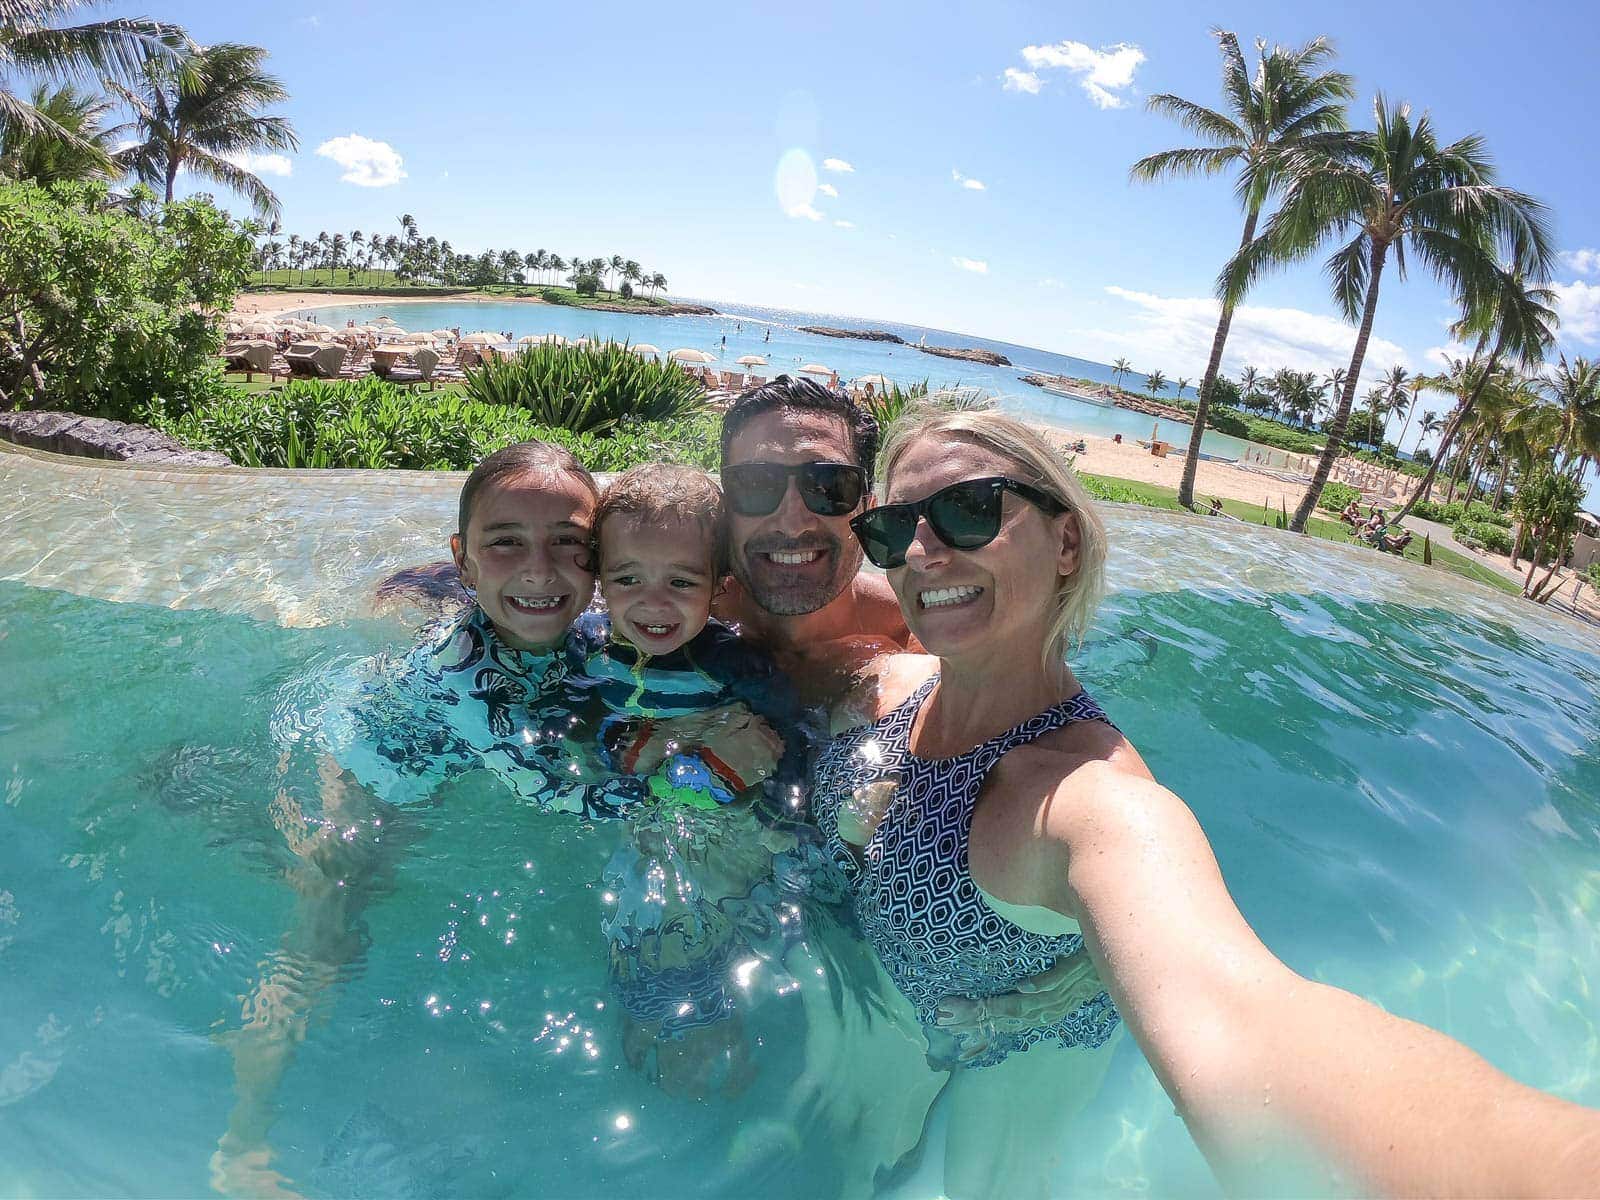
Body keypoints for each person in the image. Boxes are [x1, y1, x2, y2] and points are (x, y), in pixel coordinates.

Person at [813, 406, 1600, 1197]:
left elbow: (1245, 1025)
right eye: (893, 528)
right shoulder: (889, 689)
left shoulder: (1088, 801)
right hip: (903, 1003)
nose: (921, 550)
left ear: (1065, 542)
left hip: (1026, 1050)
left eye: (969, 509)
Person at [709, 375, 915, 706]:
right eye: (756, 485)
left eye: (829, 486)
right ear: (723, 507)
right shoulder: (678, 612)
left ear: (867, 511)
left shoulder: (915, 631)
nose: (792, 524)